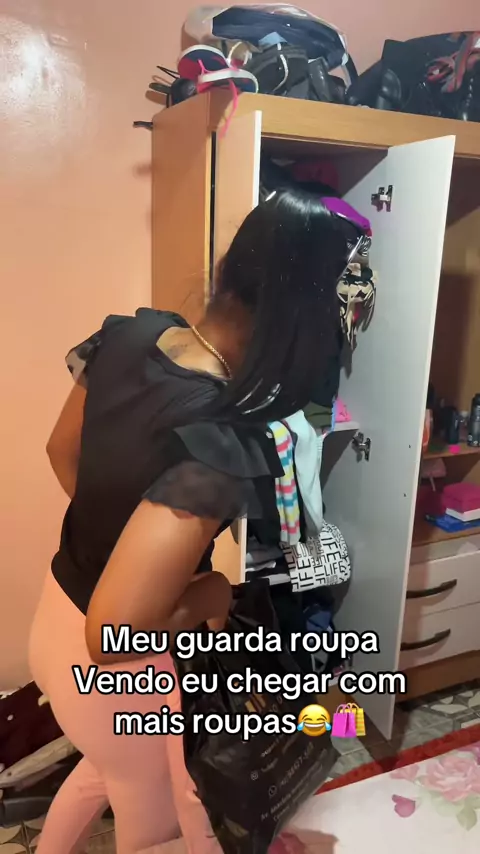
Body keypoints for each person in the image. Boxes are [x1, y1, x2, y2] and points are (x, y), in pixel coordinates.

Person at [28, 189, 347, 854]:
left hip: (53, 624)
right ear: (300, 323)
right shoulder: (219, 439)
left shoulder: (130, 338)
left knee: (104, 771)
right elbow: (114, 633)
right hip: (117, 673)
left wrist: (122, 544)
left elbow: (62, 451)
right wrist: (206, 593)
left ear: (230, 269)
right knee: (159, 830)